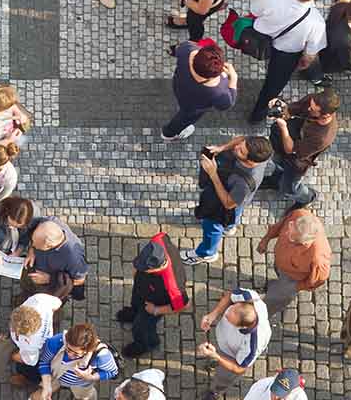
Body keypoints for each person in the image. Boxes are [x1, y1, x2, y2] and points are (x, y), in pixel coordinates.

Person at [248, 0, 328, 123]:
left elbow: (255, 11)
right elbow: (310, 54)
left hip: (261, 39)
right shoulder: (316, 22)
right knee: (273, 86)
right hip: (287, 55)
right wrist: (303, 63)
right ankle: (257, 115)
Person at [181, 135, 272, 265]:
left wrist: (213, 174)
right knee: (236, 213)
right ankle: (230, 227)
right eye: (242, 145)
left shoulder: (244, 184)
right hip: (238, 199)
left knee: (212, 226)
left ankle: (207, 253)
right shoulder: (259, 148)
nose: (236, 147)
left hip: (226, 203)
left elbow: (228, 204)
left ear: (251, 161)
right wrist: (221, 148)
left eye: (241, 151)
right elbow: (241, 139)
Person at [115, 232, 187, 360]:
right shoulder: (158, 240)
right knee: (135, 302)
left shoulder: (173, 285)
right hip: (143, 289)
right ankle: (134, 313)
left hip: (155, 303)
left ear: (156, 268)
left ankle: (145, 344)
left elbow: (182, 306)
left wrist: (156, 310)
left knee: (142, 327)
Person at [261, 89, 340, 204]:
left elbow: (290, 150)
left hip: (296, 160)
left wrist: (283, 128)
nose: (309, 109)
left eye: (312, 110)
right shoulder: (313, 101)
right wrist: (282, 107)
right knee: (278, 164)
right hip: (282, 144)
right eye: (310, 105)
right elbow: (293, 110)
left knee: (290, 187)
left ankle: (308, 197)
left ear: (325, 116)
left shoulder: (322, 137)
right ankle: (274, 181)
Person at [195, 288, 271, 400]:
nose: (225, 313)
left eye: (229, 318)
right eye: (231, 309)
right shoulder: (248, 296)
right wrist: (213, 315)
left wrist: (216, 356)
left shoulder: (253, 344)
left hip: (233, 356)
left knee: (224, 377)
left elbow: (239, 368)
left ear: (242, 327)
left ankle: (216, 392)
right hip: (225, 340)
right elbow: (230, 295)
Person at [257, 209, 332, 315]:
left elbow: (316, 281)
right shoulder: (300, 215)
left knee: (274, 299)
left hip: (292, 279)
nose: (287, 232)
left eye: (292, 237)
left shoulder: (319, 259)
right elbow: (279, 225)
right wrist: (266, 239)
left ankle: (262, 313)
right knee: (278, 277)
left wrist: (294, 287)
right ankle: (276, 284)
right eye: (291, 226)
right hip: (280, 264)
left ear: (304, 242)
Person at [161, 40, 237, 141]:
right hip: (192, 106)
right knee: (184, 118)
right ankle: (168, 133)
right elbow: (227, 104)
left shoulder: (187, 49)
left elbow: (181, 48)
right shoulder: (218, 92)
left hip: (179, 85)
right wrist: (233, 78)